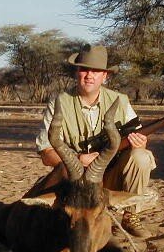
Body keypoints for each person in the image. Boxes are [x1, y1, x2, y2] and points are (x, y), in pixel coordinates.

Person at [27, 44, 156, 238]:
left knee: (141, 156)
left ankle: (131, 217)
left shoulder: (120, 100)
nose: (89, 75)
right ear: (76, 72)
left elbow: (138, 137)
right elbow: (46, 153)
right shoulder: (59, 102)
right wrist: (79, 159)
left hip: (109, 179)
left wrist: (140, 143)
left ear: (105, 76)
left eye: (96, 71)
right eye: (84, 69)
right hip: (75, 183)